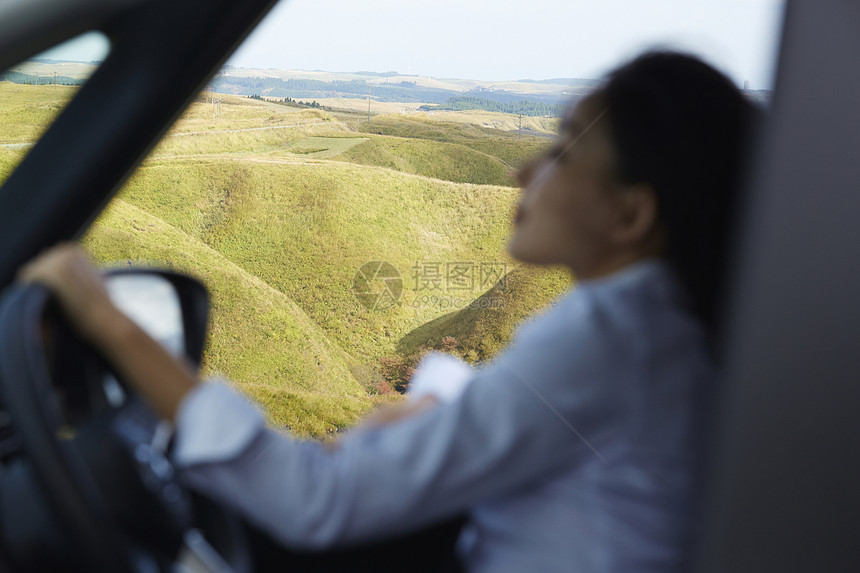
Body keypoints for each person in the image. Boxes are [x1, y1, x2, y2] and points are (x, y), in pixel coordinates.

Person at [18, 52, 757, 572]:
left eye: (562, 153)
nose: (521, 169)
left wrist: (108, 320)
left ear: (630, 215)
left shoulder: (605, 333)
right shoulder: (655, 328)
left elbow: (315, 501)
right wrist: (437, 398)